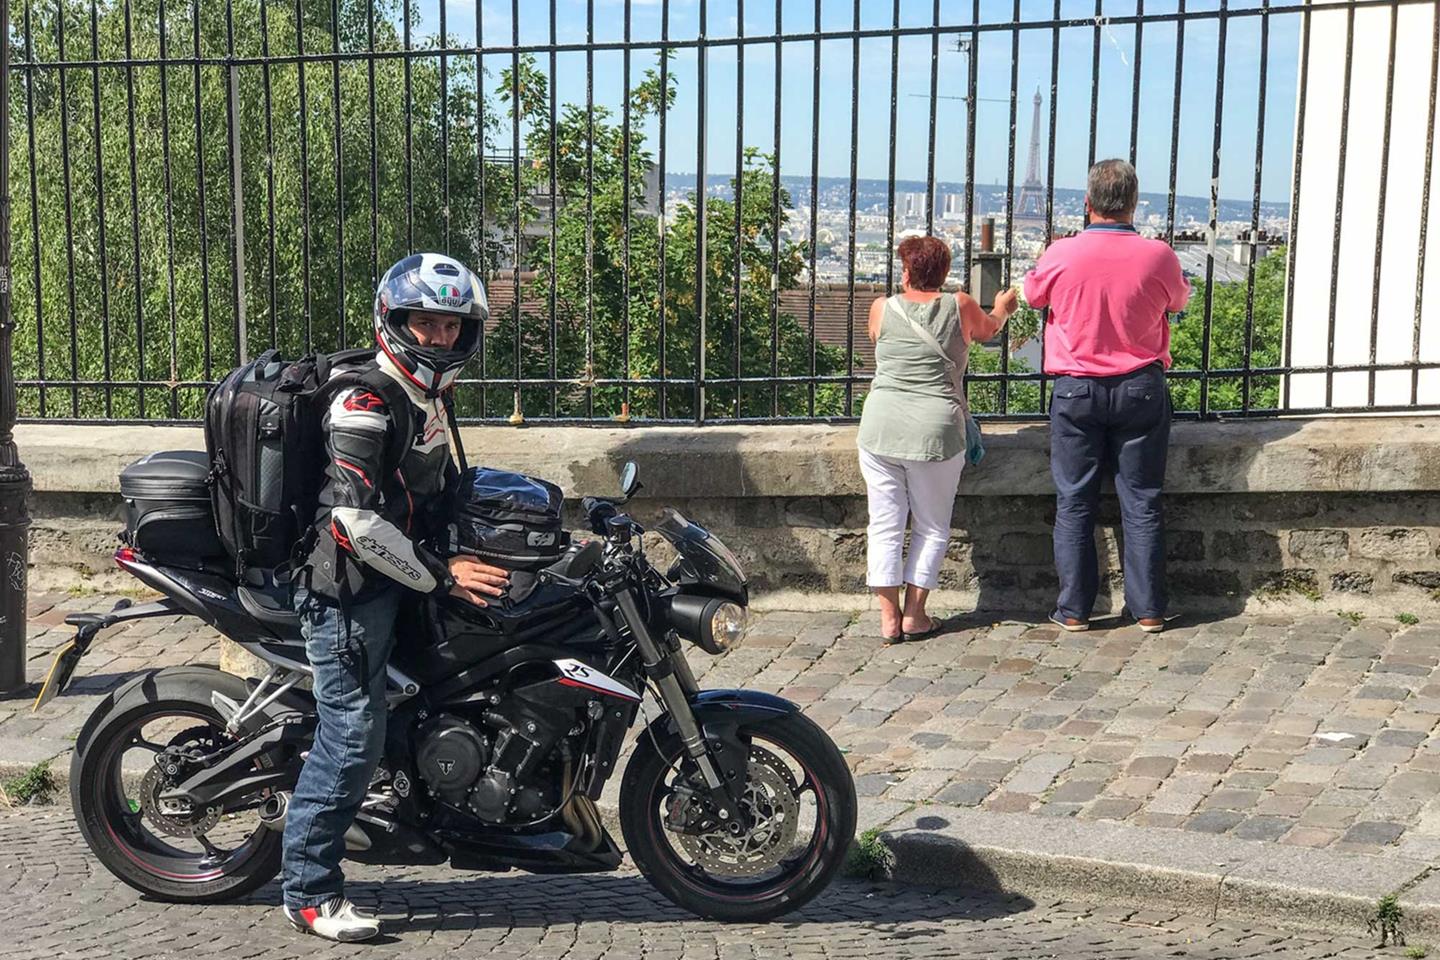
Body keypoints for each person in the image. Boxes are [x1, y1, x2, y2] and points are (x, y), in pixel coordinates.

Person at [282, 253, 511, 942]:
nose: (438, 338)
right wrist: (445, 575)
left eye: (451, 326)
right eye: (425, 323)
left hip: (397, 576)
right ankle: (309, 890)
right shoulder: (366, 402)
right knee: (353, 733)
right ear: (394, 322)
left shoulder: (426, 396)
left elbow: (432, 491)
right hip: (347, 594)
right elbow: (354, 522)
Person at [1022, 159, 1192, 634]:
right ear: (1134, 202)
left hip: (1076, 386)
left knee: (1074, 501)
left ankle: (1074, 608)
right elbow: (1178, 301)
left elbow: (1033, 296)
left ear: (1087, 203)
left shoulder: (1062, 252)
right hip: (1140, 384)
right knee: (1142, 500)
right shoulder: (1158, 255)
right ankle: (1149, 608)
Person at [857, 235, 1018, 643]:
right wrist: (1001, 307)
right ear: (944, 273)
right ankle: (915, 615)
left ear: (906, 271)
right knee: (931, 526)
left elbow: (876, 337)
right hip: (936, 428)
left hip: (879, 426)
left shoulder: (882, 307)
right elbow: (988, 330)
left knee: (885, 524)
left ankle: (888, 619)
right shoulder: (959, 305)